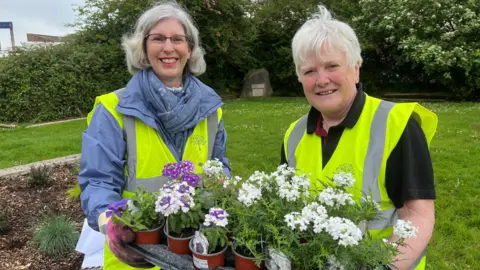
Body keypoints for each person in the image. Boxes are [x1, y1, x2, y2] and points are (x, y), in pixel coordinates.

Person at [281, 6, 437, 270]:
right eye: (309, 71)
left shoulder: (397, 124)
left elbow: (417, 215)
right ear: (299, 78)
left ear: (356, 69)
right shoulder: (293, 135)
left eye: (332, 66)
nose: (322, 80)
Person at [78, 1, 231, 269]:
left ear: (190, 49)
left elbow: (220, 170)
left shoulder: (210, 109)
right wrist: (110, 221)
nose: (168, 48)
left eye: (178, 39)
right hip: (137, 252)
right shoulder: (113, 109)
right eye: (158, 38)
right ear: (144, 48)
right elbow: (98, 181)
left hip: (194, 250)